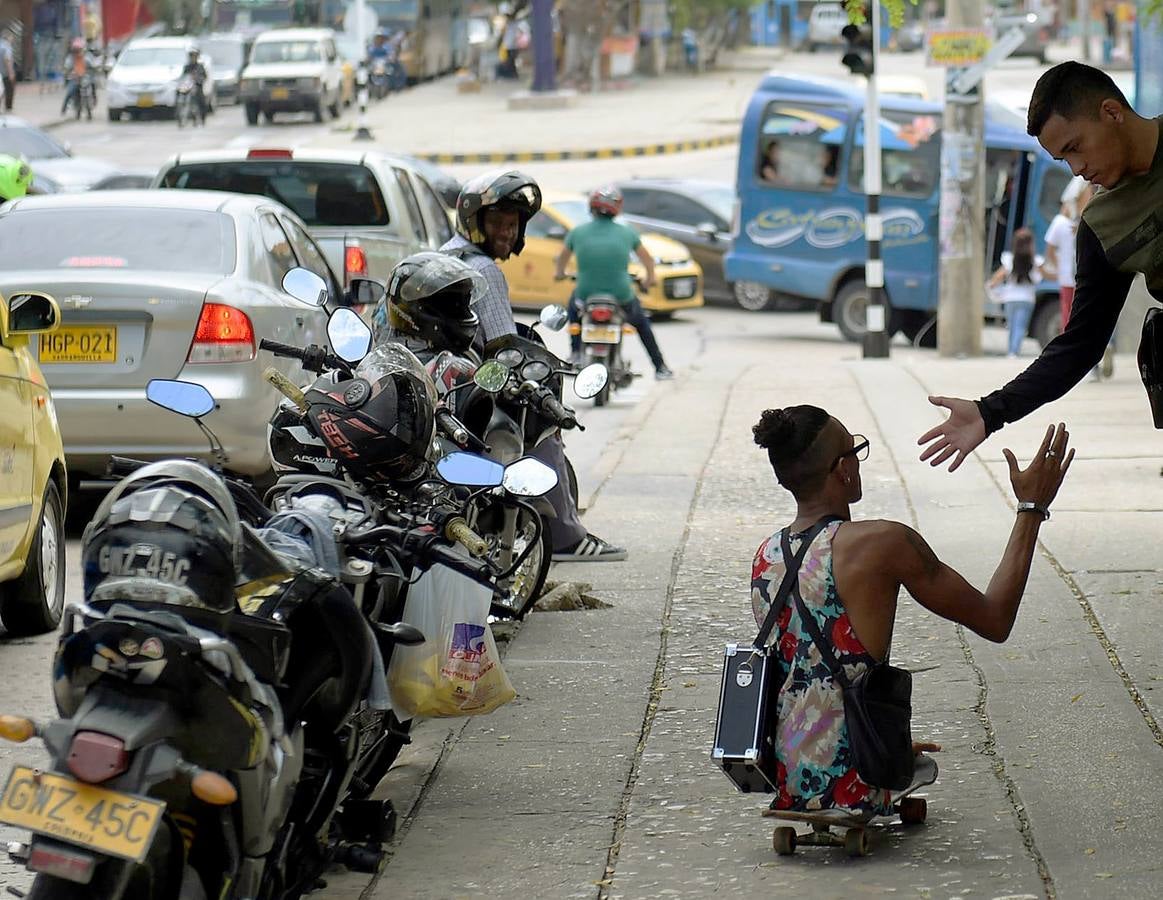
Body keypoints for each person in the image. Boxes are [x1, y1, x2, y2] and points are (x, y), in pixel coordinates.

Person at [751, 406, 1072, 814]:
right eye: (855, 451)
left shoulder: (766, 556)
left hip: (788, 776)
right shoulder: (883, 543)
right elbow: (995, 618)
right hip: (861, 777)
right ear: (843, 471)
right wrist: (1031, 507)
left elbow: (806, 679)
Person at [918, 61, 1162, 472]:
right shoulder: (1101, 227)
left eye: (1075, 147)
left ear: (1111, 112)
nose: (1077, 168)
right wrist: (989, 412)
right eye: (1063, 159)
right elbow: (1078, 345)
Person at [442, 169, 627, 562]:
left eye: (513, 225)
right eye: (498, 223)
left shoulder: (443, 255)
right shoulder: (484, 269)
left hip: (433, 381)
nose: (508, 233)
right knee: (540, 423)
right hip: (464, 391)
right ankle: (565, 537)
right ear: (475, 222)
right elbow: (506, 351)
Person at [554, 186, 673, 380]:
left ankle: (575, 353)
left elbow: (561, 260)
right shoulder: (628, 233)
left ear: (591, 207)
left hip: (586, 296)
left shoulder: (577, 232)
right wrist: (649, 279)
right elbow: (648, 261)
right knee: (643, 325)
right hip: (621, 296)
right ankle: (660, 367)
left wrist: (560, 274)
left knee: (574, 312)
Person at [988, 227, 1040, 358]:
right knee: (1020, 326)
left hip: (1010, 297)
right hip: (1027, 298)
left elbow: (998, 276)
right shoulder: (1036, 261)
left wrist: (990, 285)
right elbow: (1041, 276)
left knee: (1011, 325)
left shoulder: (1009, 259)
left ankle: (1011, 350)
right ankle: (1014, 351)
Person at [181, 46, 208, 119]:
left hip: (198, 86)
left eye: (195, 56)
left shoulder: (200, 66)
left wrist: (199, 79)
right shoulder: (187, 66)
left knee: (201, 101)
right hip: (188, 86)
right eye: (192, 56)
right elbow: (183, 76)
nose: (193, 58)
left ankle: (202, 117)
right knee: (181, 95)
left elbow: (205, 76)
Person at [0, 31, 15, 112]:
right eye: (12, 37)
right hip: (5, 73)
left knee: (0, 90)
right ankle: (8, 108)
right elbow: (7, 60)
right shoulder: (7, 46)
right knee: (9, 90)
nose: (13, 39)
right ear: (8, 37)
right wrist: (11, 72)